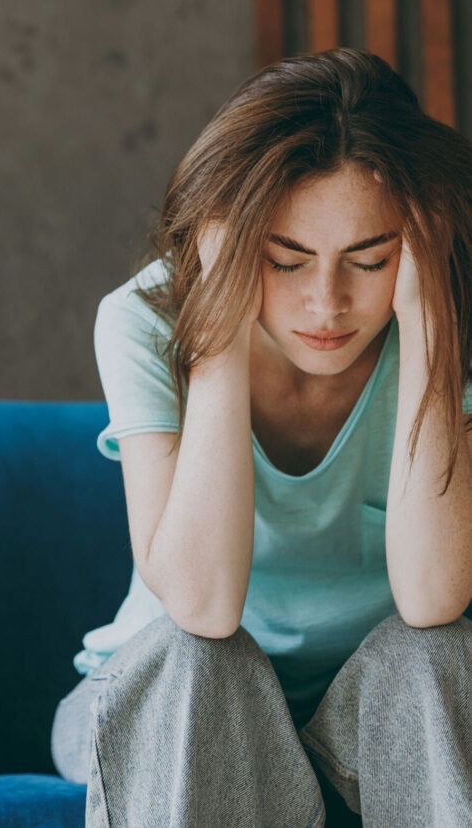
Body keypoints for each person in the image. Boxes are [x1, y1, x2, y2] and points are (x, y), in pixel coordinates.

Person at [51, 48, 472, 827]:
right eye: (285, 261)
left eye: (370, 260)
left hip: (369, 705)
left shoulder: (444, 324)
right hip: (170, 693)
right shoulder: (142, 321)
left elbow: (433, 599)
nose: (326, 304)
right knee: (196, 659)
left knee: (440, 654)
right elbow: (203, 607)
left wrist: (429, 318)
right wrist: (221, 320)